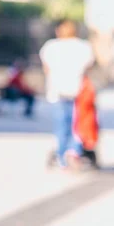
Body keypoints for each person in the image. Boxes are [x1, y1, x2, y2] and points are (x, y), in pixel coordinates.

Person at [40, 19, 94, 168]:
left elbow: (46, 69)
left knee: (61, 124)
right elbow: (89, 68)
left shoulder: (51, 47)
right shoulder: (83, 47)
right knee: (76, 124)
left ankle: (63, 155)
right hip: (77, 90)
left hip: (58, 90)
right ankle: (73, 152)